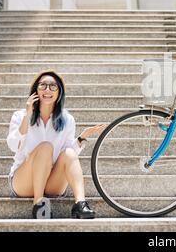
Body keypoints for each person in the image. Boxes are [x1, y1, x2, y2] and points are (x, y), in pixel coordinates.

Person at [6, 70, 107, 219]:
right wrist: (27, 117)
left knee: (69, 153)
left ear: (59, 92)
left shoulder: (67, 120)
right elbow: (13, 146)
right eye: (43, 86)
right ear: (36, 90)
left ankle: (80, 204)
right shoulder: (20, 115)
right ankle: (39, 204)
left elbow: (67, 157)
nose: (47, 90)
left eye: (53, 86)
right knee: (46, 147)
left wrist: (81, 138)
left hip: (52, 181)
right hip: (24, 181)